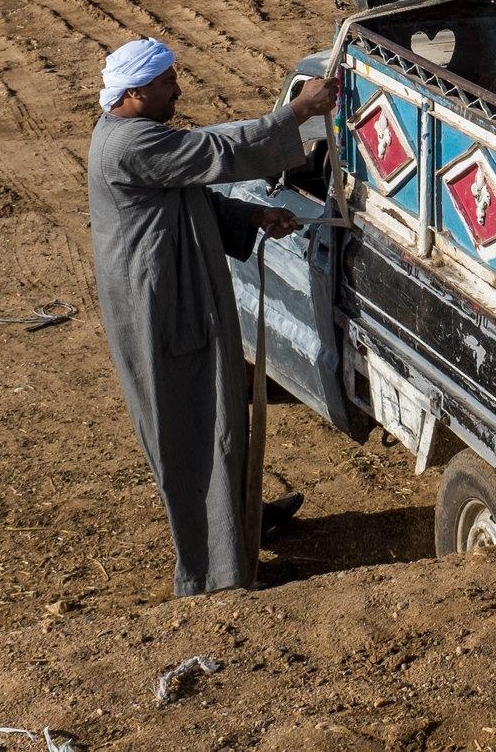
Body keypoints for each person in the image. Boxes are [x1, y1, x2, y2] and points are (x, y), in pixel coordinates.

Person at [87, 37, 337, 596]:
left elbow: (189, 193)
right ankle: (217, 574)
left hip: (181, 301)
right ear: (133, 93)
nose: (177, 89)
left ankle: (237, 525)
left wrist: (253, 216)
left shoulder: (134, 138)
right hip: (166, 315)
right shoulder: (129, 145)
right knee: (197, 429)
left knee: (218, 418)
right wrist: (297, 112)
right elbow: (213, 152)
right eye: (165, 82)